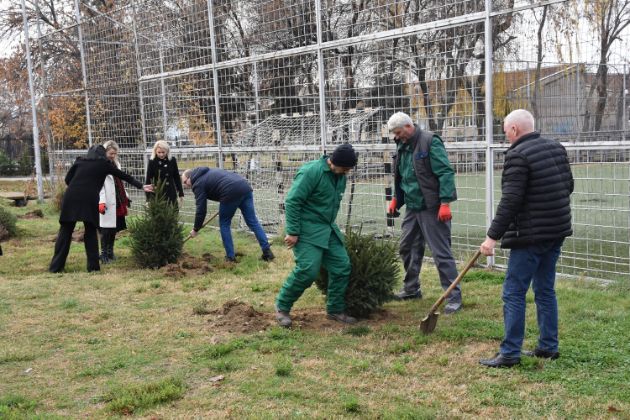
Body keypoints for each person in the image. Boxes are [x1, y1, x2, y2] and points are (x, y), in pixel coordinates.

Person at [479, 109, 573, 368]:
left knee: (513, 292)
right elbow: (569, 186)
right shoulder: (556, 148)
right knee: (544, 289)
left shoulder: (517, 155)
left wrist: (491, 238)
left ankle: (510, 353)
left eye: (505, 130)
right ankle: (548, 347)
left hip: (531, 236)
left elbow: (511, 200)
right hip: (557, 231)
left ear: (515, 130)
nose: (505, 135)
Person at [275, 144, 359, 328]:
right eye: (345, 168)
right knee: (308, 270)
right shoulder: (311, 172)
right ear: (333, 163)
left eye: (349, 169)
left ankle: (335, 309)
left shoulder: (340, 176)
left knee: (341, 266)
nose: (347, 172)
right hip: (306, 230)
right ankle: (282, 307)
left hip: (327, 229)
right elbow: (292, 201)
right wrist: (293, 232)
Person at [386, 112, 461, 314]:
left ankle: (453, 297)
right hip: (412, 206)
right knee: (406, 247)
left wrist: (445, 202)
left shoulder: (430, 142)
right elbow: (401, 175)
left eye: (399, 132)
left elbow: (445, 172)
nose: (397, 136)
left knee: (440, 253)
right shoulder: (402, 144)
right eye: (395, 133)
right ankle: (411, 289)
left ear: (409, 126)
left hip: (432, 207)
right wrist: (396, 198)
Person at [49, 145, 153, 273]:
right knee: (91, 231)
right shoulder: (104, 164)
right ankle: (93, 267)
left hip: (71, 198)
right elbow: (123, 176)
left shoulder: (80, 161)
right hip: (89, 199)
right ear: (103, 155)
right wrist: (142, 186)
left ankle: (56, 267)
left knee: (65, 231)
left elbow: (67, 179)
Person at [181, 167, 274, 263]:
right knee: (252, 221)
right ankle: (267, 252)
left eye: (185, 182)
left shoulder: (197, 183)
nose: (185, 185)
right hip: (244, 187)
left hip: (230, 192)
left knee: (224, 223)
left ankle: (230, 257)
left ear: (190, 177)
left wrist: (196, 229)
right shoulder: (206, 172)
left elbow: (201, 209)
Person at [98, 140, 131, 263]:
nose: (113, 155)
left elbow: (120, 182)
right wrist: (101, 201)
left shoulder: (116, 164)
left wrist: (125, 196)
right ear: (105, 152)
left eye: (114, 153)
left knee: (113, 228)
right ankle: (104, 254)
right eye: (111, 153)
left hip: (117, 199)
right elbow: (100, 185)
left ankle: (111, 252)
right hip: (106, 200)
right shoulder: (101, 165)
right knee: (105, 230)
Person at [145, 140, 184, 208]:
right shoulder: (152, 162)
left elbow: (176, 177)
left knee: (173, 212)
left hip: (171, 192)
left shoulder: (172, 160)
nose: (161, 154)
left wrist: (181, 193)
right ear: (155, 151)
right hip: (157, 194)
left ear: (167, 151)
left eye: (163, 152)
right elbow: (148, 179)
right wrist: (148, 199)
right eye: (159, 152)